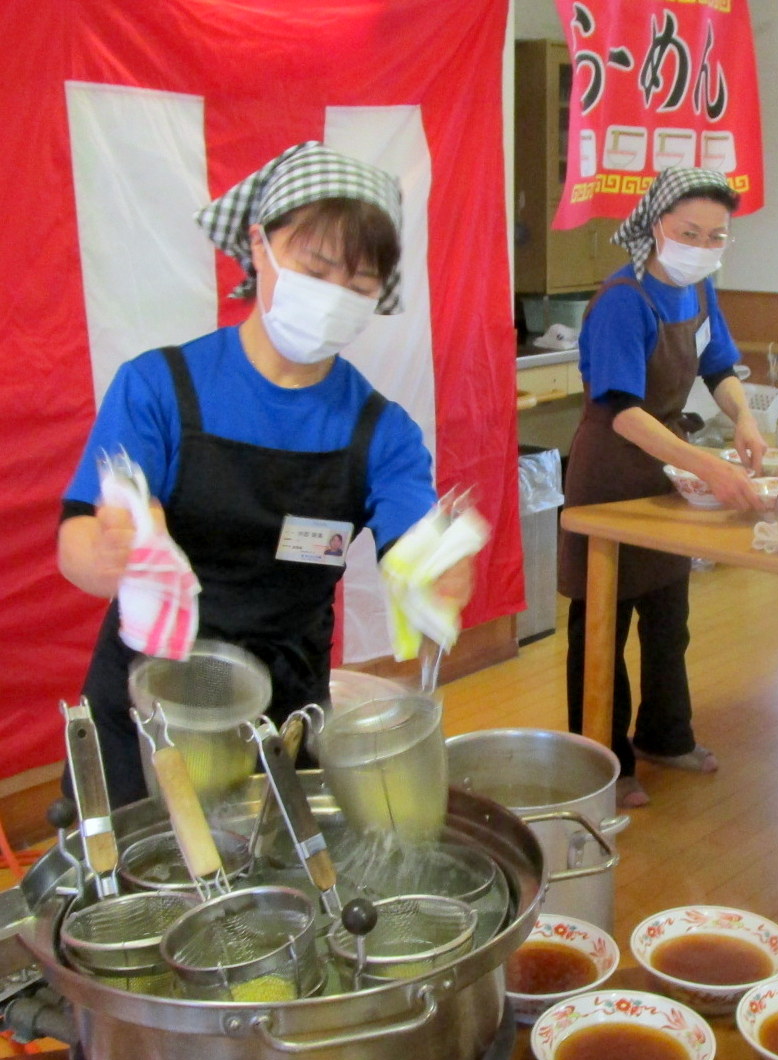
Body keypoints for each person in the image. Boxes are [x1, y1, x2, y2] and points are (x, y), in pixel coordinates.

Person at [59, 142, 470, 806]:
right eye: (316, 267)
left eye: (359, 285)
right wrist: (110, 552)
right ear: (259, 244)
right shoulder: (160, 388)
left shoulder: (380, 432)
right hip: (151, 706)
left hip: (281, 714)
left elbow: (413, 540)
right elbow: (76, 542)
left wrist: (436, 570)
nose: (333, 297)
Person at [557, 167, 765, 810]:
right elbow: (621, 408)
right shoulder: (624, 299)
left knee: (668, 616)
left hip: (665, 472)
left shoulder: (700, 290)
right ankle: (602, 759)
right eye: (688, 232)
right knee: (601, 623)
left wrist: (746, 417)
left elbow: (718, 364)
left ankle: (665, 734)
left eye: (715, 235)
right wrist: (707, 467)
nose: (702, 246)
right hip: (612, 473)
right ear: (655, 228)